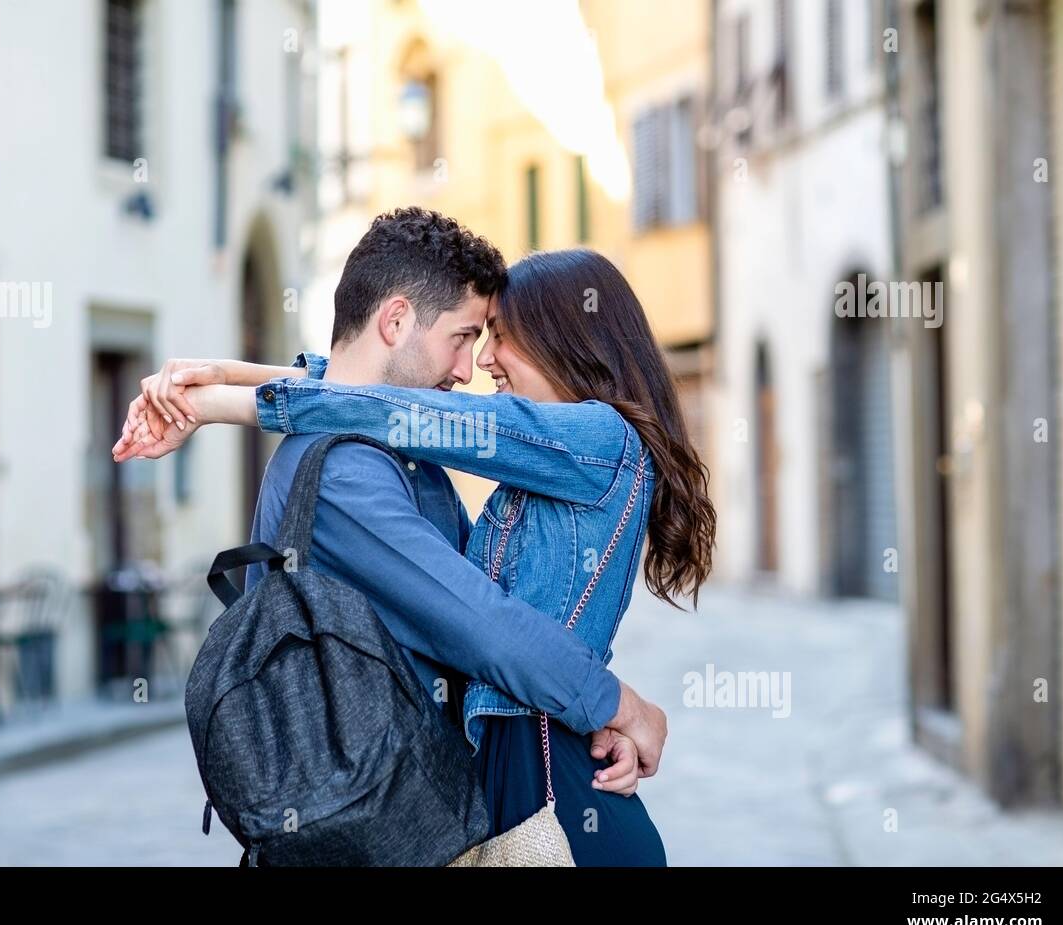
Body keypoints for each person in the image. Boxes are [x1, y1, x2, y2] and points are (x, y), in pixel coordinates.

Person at [114, 211, 693, 865]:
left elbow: (406, 412)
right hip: (506, 788)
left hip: (551, 790)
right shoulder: (350, 465)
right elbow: (479, 613)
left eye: (498, 338)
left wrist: (229, 395)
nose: (478, 365)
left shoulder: (594, 436)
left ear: (570, 342)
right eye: (472, 336)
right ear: (396, 322)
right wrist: (228, 381)